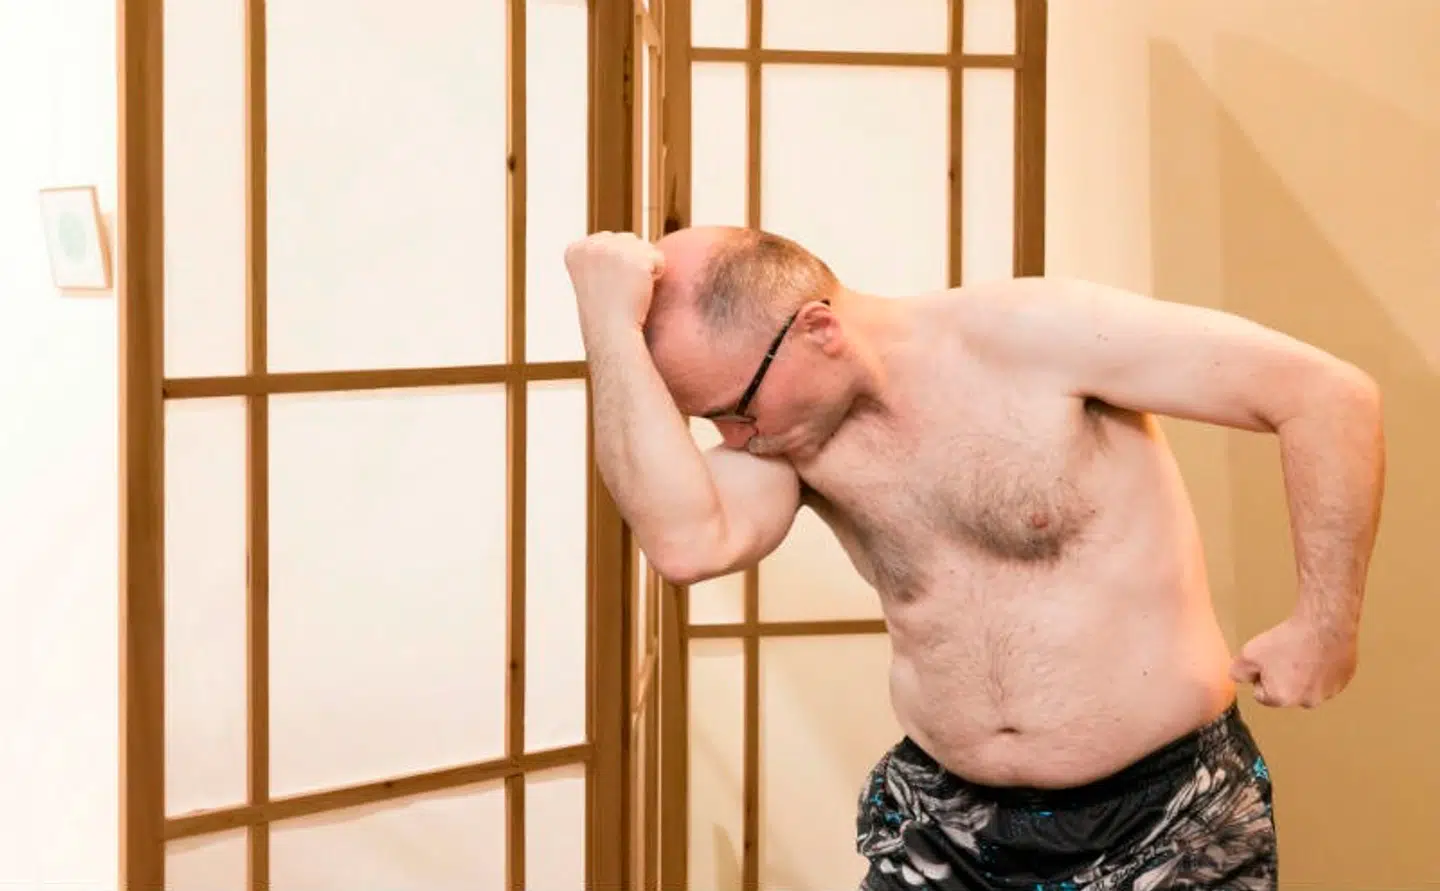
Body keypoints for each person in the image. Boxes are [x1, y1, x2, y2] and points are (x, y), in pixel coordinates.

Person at [563, 225, 1386, 890]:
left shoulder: (1034, 335)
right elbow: (687, 542)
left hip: (1167, 819)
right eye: (712, 421)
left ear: (819, 329)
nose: (735, 438)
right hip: (944, 827)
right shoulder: (792, 436)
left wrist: (1325, 622)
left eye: (737, 408)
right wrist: (606, 323)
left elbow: (1327, 395)